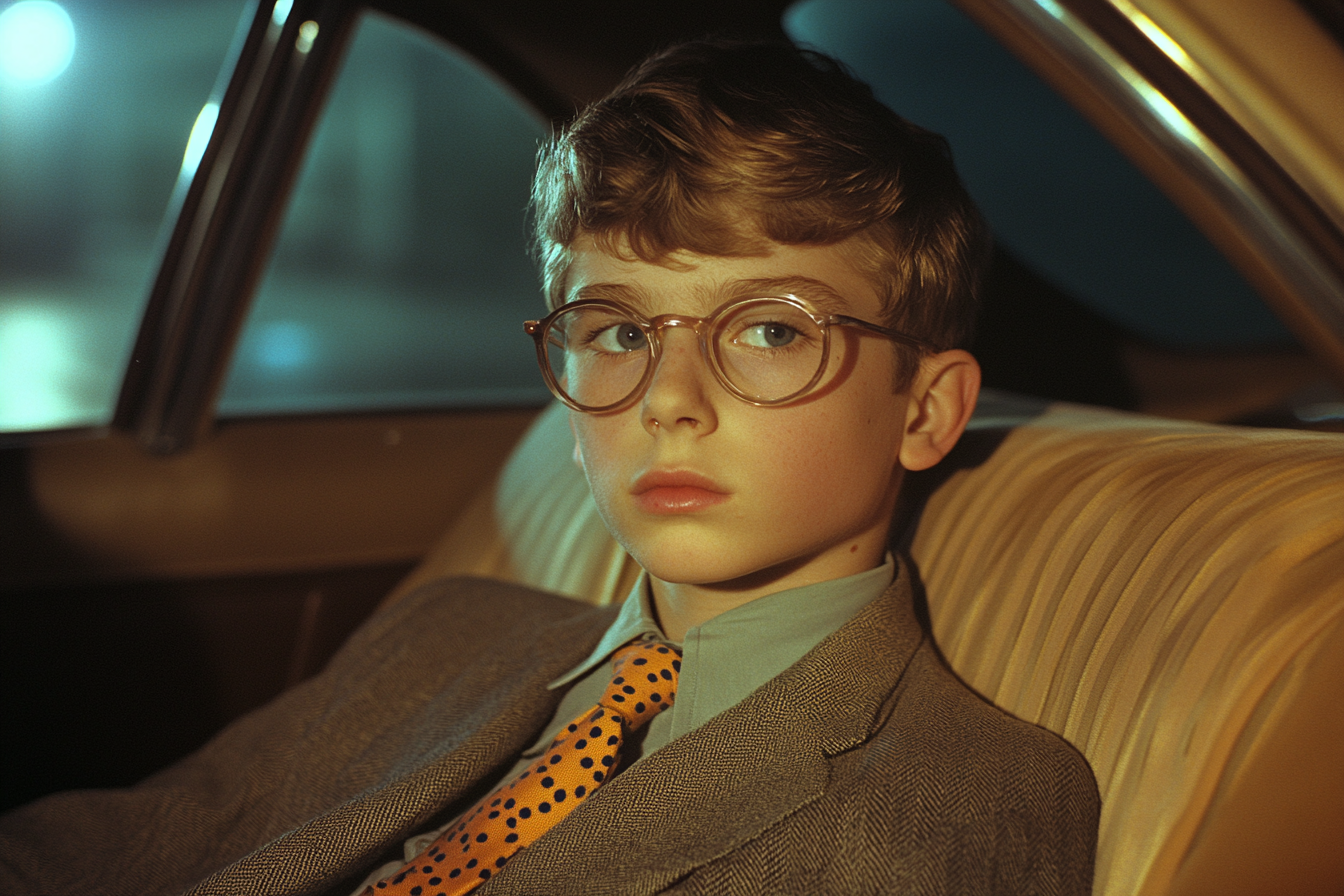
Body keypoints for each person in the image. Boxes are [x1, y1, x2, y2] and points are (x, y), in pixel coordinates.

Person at [0, 38, 1098, 896]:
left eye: (769, 329)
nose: (668, 399)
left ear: (927, 407)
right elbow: (112, 846)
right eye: (618, 331)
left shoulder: (973, 792)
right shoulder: (448, 631)